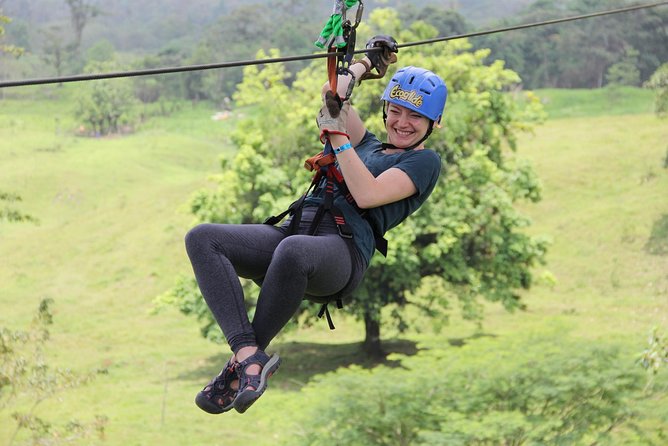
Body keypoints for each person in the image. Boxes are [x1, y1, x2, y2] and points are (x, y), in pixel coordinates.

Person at [184, 38, 447, 414]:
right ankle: (246, 356)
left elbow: (368, 193)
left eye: (416, 117)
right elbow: (331, 93)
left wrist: (337, 136)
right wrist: (363, 65)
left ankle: (246, 361)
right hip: (296, 230)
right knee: (203, 239)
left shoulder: (424, 163)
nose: (403, 123)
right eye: (396, 110)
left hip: (340, 253)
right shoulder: (367, 143)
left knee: (294, 251)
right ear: (386, 108)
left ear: (433, 123)